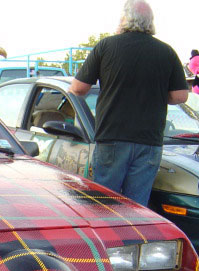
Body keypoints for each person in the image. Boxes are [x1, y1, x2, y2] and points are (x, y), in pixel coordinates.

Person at [69, 0, 188, 206]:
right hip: (149, 141)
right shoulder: (166, 51)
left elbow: (79, 89)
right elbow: (180, 96)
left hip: (112, 137)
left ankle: (108, 228)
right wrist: (156, 93)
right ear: (150, 21)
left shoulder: (107, 46)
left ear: (124, 18)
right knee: (136, 207)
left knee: (105, 204)